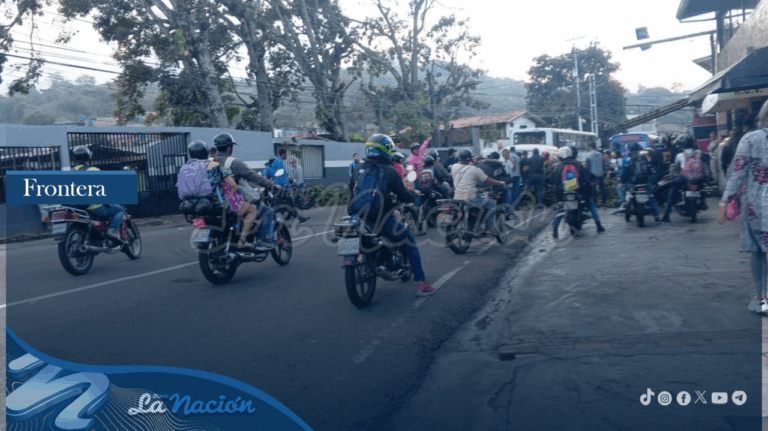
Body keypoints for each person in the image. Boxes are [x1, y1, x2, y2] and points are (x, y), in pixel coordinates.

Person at [348, 134, 435, 296]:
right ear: (385, 150)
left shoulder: (358, 168)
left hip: (357, 216)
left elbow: (352, 191)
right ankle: (422, 283)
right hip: (381, 217)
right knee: (410, 241)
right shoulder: (389, 170)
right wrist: (414, 194)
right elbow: (403, 195)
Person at [719, 100, 768, 313]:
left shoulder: (751, 138)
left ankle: (761, 299)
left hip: (757, 205)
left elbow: (737, 173)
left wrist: (726, 202)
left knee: (758, 251)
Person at [185, 141, 262, 250]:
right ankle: (242, 241)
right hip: (217, 204)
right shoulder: (214, 166)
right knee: (252, 209)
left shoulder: (187, 169)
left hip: (195, 205)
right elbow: (233, 185)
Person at [212, 132, 279, 250]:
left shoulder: (210, 163)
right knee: (267, 211)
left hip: (215, 203)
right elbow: (253, 176)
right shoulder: (234, 163)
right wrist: (272, 185)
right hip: (233, 202)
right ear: (229, 148)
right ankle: (262, 241)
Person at [71, 146, 126, 240]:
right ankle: (112, 231)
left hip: (76, 209)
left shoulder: (69, 172)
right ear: (89, 157)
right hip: (94, 208)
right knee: (120, 210)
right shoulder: (93, 170)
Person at [549, 146, 604, 237]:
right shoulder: (578, 164)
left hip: (563, 192)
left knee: (560, 207)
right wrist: (593, 180)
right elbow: (587, 177)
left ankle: (555, 229)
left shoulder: (559, 166)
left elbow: (553, 180)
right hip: (579, 192)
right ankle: (598, 224)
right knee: (591, 203)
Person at [451, 149, 507, 236]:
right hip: (470, 197)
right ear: (470, 158)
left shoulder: (454, 167)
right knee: (491, 203)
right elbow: (488, 180)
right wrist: (500, 183)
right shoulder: (474, 169)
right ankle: (489, 229)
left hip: (457, 197)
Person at [661, 134, 706, 222]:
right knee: (703, 187)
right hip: (698, 177)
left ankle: (666, 214)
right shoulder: (698, 152)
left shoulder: (679, 155)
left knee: (672, 191)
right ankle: (703, 202)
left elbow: (674, 166)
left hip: (684, 178)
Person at [623, 142, 661, 223]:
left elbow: (624, 172)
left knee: (628, 194)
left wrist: (622, 179)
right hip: (645, 181)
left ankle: (625, 206)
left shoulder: (627, 159)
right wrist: (651, 179)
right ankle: (656, 216)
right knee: (651, 197)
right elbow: (650, 168)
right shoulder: (645, 158)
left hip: (633, 182)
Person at [585, 141, 607, 207]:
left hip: (593, 175)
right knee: (602, 188)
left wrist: (587, 176)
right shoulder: (600, 154)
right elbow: (603, 165)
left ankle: (595, 203)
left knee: (593, 190)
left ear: (590, 147)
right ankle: (604, 203)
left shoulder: (588, 155)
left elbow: (587, 167)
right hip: (601, 174)